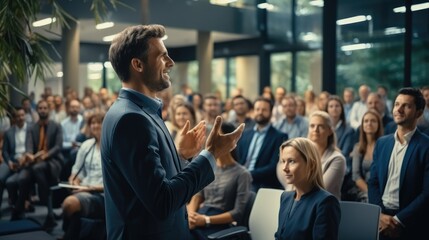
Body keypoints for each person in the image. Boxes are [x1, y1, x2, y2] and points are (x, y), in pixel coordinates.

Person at [101, 24, 244, 240]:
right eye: (162, 56)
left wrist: (180, 156)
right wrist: (210, 154)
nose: (171, 63)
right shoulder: (131, 119)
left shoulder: (139, 111)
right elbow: (162, 201)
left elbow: (149, 182)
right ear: (138, 64)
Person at [368, 87, 429, 240]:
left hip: (410, 224)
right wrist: (380, 214)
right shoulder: (382, 143)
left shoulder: (426, 146)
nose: (399, 110)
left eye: (406, 106)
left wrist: (397, 221)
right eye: (397, 104)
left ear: (419, 112)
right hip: (381, 220)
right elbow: (373, 182)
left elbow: (427, 193)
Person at [187, 122, 252, 239]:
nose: (212, 140)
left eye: (218, 136)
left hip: (219, 224)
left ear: (230, 141)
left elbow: (237, 213)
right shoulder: (209, 168)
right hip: (200, 217)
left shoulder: (242, 174)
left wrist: (206, 220)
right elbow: (198, 196)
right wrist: (191, 216)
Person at [275, 137, 340, 240]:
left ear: (311, 165)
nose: (284, 168)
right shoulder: (285, 198)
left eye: (291, 161)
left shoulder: (326, 202)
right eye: (283, 161)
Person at [61, 112, 106, 240]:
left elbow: (116, 183)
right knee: (73, 205)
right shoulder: (86, 145)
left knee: (70, 204)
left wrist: (89, 188)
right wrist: (73, 181)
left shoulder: (113, 146)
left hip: (103, 195)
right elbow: (76, 173)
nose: (95, 126)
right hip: (84, 190)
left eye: (99, 122)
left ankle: (67, 235)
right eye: (92, 123)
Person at [237, 97, 288, 191]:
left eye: (264, 110)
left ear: (271, 112)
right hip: (239, 180)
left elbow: (273, 166)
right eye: (257, 109)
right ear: (253, 111)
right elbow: (238, 159)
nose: (260, 112)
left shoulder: (280, 137)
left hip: (261, 183)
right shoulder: (244, 134)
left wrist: (248, 174)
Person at [307, 111, 346, 199]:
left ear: (329, 131)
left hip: (325, 207)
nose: (315, 130)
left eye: (320, 126)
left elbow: (321, 189)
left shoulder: (338, 159)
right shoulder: (302, 154)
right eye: (312, 126)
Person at [351, 110, 383, 202]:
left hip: (381, 188)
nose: (369, 123)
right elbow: (356, 176)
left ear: (378, 125)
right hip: (364, 189)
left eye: (373, 121)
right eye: (366, 121)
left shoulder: (384, 145)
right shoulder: (358, 147)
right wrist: (370, 192)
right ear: (362, 125)